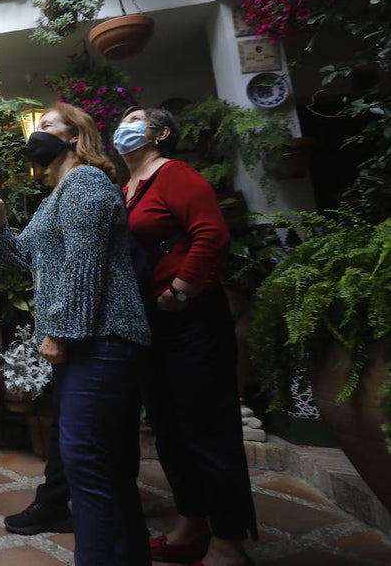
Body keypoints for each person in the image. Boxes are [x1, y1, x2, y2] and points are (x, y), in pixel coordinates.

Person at [0, 102, 151, 565]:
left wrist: (58, 332)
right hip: (93, 342)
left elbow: (84, 263)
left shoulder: (87, 183)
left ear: (75, 137)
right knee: (110, 467)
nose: (38, 134)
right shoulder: (58, 194)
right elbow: (14, 260)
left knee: (87, 464)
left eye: (48, 125)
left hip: (103, 339)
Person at [115, 106, 257, 566]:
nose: (125, 125)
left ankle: (229, 542)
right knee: (169, 428)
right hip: (151, 324)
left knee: (208, 429)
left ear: (161, 133)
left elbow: (211, 235)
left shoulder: (175, 175)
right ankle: (191, 524)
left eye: (137, 119)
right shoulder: (127, 190)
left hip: (191, 318)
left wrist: (182, 290)